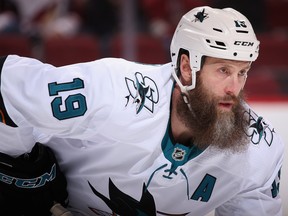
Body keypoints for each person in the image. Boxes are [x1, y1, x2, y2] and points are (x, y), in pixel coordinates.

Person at [0, 6, 284, 216]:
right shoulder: (114, 88)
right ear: (186, 67)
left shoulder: (259, 149)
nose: (235, 87)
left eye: (243, 72)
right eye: (223, 70)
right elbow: (7, 84)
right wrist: (23, 168)